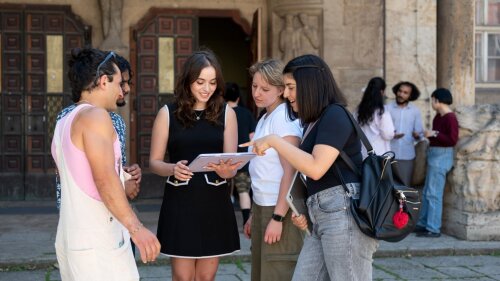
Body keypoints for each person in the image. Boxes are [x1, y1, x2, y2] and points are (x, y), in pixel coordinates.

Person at [241, 54, 378, 281]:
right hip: (323, 215)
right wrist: (305, 209)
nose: (286, 94)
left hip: (343, 214)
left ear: (310, 85)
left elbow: (315, 168)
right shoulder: (314, 120)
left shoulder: (335, 114)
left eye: (291, 87)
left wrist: (275, 141)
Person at [52, 48, 160, 280]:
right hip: (98, 242)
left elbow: (79, 178)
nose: (122, 90)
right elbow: (104, 180)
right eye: (119, 83)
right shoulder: (96, 116)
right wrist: (137, 229)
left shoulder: (64, 121)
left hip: (73, 238)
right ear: (103, 81)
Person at [149, 49, 240, 281]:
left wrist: (228, 171)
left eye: (212, 82)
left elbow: (232, 164)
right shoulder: (167, 113)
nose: (206, 88)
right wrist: (172, 168)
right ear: (188, 80)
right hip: (181, 202)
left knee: (206, 278)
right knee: (182, 277)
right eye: (200, 82)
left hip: (214, 201)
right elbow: (154, 163)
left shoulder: (227, 113)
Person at [55, 54, 142, 210]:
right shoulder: (71, 116)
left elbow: (109, 166)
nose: (126, 89)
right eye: (121, 83)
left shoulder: (116, 120)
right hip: (87, 213)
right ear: (104, 81)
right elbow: (96, 176)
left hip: (111, 212)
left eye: (128, 83)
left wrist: (127, 173)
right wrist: (123, 188)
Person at [243, 59, 304, 281]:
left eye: (265, 89)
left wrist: (277, 218)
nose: (257, 93)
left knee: (277, 273)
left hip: (280, 211)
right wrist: (253, 214)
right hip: (263, 206)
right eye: (254, 86)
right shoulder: (266, 116)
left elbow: (291, 173)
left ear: (281, 90)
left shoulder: (284, 119)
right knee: (261, 274)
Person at [415, 88, 459, 238]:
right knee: (428, 191)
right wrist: (429, 135)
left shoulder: (450, 117)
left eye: (433, 100)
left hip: (442, 156)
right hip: (434, 154)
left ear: (437, 100)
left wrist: (434, 134)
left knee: (434, 194)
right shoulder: (438, 117)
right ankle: (423, 224)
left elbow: (452, 140)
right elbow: (438, 137)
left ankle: (433, 228)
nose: (432, 103)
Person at [224, 82, 257, 225]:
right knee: (243, 191)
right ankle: (245, 222)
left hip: (222, 160)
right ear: (238, 97)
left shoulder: (220, 113)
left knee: (223, 192)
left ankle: (224, 223)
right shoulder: (246, 113)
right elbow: (253, 139)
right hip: (242, 160)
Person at [386, 81, 424, 186]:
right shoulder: (387, 108)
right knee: (389, 186)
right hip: (389, 153)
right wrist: (391, 134)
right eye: (400, 91)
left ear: (410, 96)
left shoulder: (415, 111)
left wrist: (417, 135)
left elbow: (419, 133)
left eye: (405, 93)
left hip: (407, 155)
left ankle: (403, 204)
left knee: (405, 187)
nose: (401, 94)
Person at [355, 77, 395, 158]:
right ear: (382, 92)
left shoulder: (357, 111)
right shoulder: (382, 112)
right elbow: (388, 134)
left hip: (362, 153)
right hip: (378, 156)